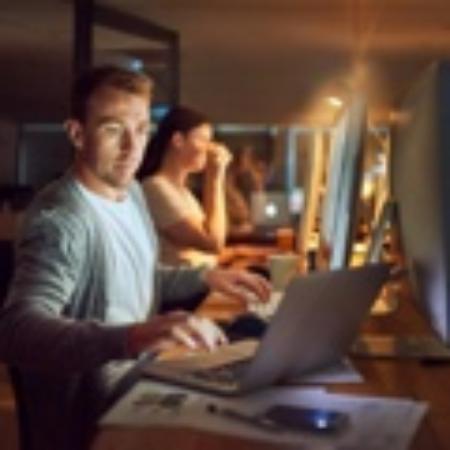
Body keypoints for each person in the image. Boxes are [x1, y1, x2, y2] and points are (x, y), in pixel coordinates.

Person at [0, 66, 270, 450]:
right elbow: (17, 331)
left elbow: (137, 275)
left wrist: (206, 278)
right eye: (113, 130)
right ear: (77, 134)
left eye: (141, 130)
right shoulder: (60, 220)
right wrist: (133, 336)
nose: (132, 148)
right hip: (96, 415)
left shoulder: (131, 194)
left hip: (143, 379)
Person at [140, 106, 231, 267]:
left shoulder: (183, 192)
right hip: (182, 290)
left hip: (202, 284)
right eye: (203, 139)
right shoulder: (155, 188)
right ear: (178, 140)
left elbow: (202, 253)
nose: (209, 148)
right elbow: (213, 243)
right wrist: (215, 177)